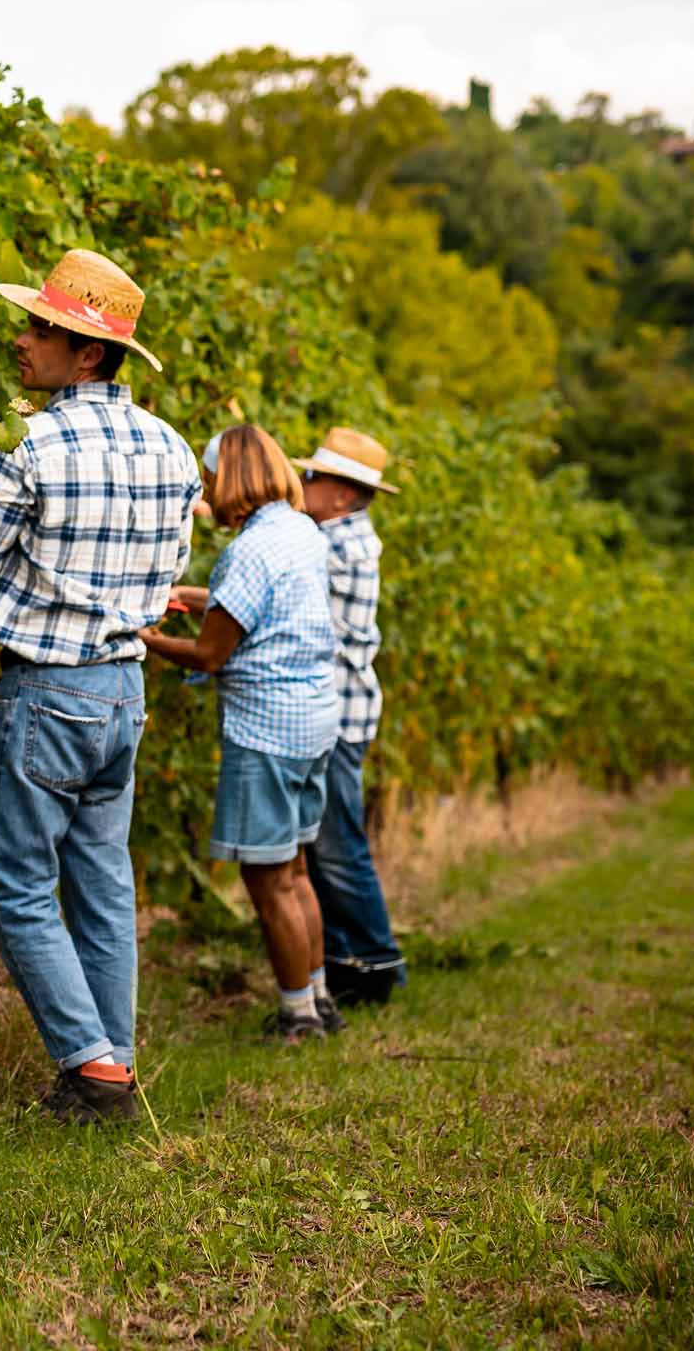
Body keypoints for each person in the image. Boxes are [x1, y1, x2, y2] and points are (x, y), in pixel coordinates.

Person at [0, 249, 200, 1122]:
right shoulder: (175, 448)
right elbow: (168, 574)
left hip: (46, 693)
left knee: (15, 884)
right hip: (123, 693)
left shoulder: (31, 444)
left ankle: (90, 1065)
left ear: (86, 355)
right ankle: (114, 1059)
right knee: (103, 883)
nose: (22, 338)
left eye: (41, 328)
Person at [141, 426, 341, 1044]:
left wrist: (144, 640)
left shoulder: (248, 552)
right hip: (312, 721)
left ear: (231, 479)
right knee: (296, 869)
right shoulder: (299, 531)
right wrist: (199, 598)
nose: (207, 491)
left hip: (267, 729)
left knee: (266, 877)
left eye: (210, 479)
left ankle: (296, 1018)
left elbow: (208, 657)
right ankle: (319, 997)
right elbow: (262, 606)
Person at [294, 428, 408, 1006]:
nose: (302, 484)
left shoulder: (341, 545)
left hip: (338, 717)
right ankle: (346, 961)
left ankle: (379, 963)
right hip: (342, 712)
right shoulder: (338, 535)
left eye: (313, 476)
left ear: (343, 495)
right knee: (323, 842)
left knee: (338, 845)